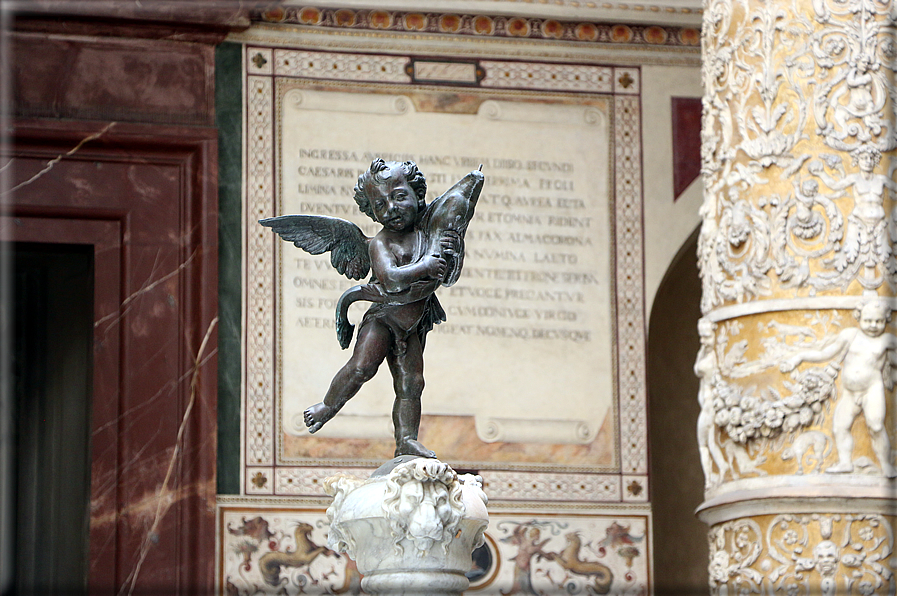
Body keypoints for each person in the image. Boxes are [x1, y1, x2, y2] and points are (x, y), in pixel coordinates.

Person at [300, 159, 481, 458]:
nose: (391, 209)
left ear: (418, 194)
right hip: (384, 318)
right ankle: (327, 406)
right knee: (362, 367)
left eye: (399, 196)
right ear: (371, 212)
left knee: (412, 383)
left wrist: (454, 251)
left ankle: (406, 440)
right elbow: (391, 279)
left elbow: (446, 278)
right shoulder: (381, 243)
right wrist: (424, 265)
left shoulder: (429, 234)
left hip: (413, 322)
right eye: (380, 204)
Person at [780, 300, 897, 477]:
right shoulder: (851, 335)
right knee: (839, 427)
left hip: (872, 389)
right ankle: (845, 463)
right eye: (868, 321)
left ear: (886, 320)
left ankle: (886, 465)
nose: (873, 326)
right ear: (859, 318)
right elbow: (825, 353)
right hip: (850, 393)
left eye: (879, 321)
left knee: (876, 426)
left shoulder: (887, 340)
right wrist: (799, 358)